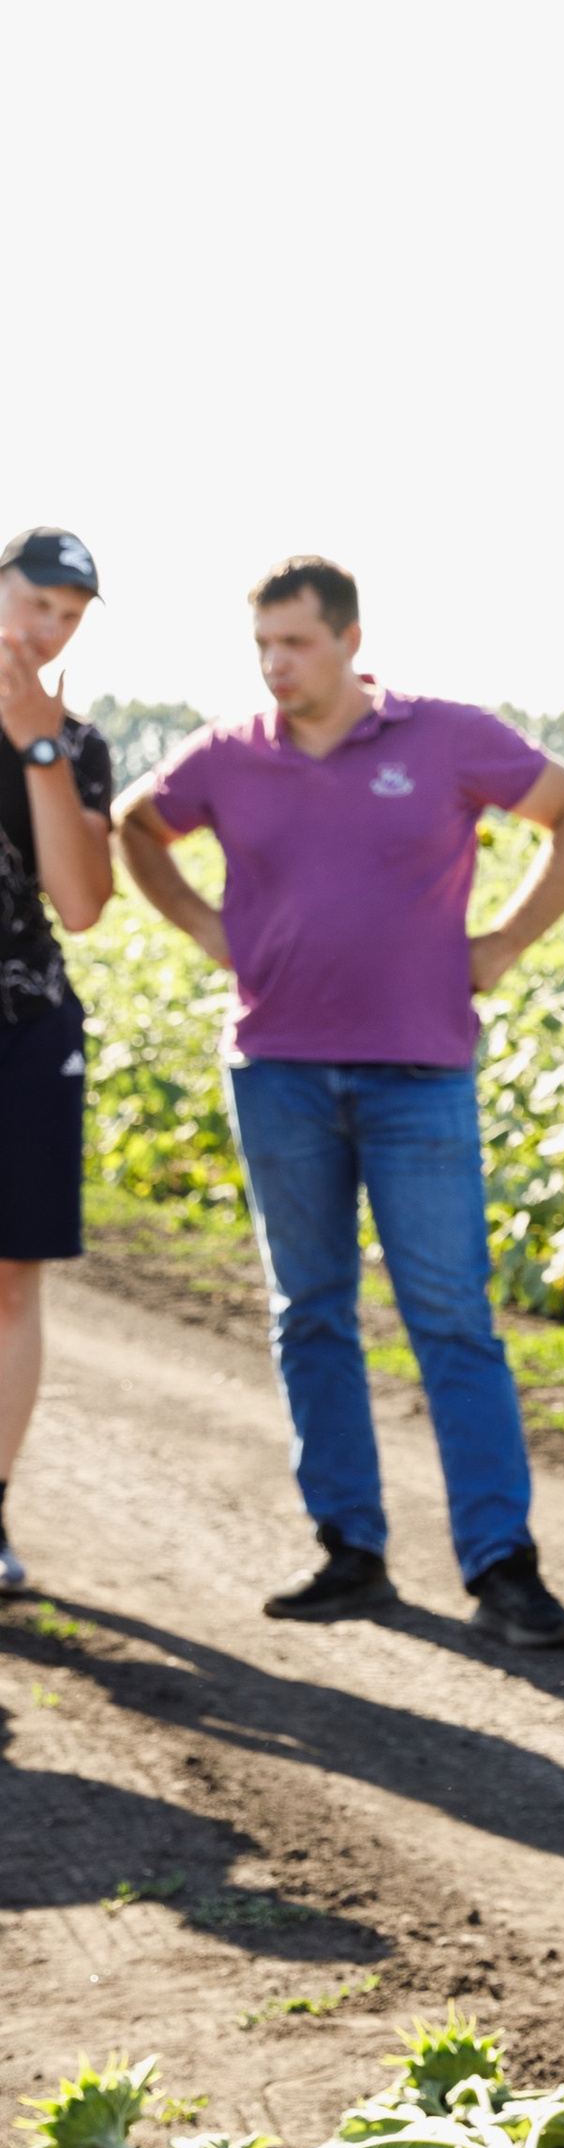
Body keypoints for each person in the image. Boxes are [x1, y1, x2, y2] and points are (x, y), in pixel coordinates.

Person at [114, 555, 564, 1647]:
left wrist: (508, 943)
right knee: (311, 1314)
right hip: (277, 1069)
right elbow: (136, 826)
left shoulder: (443, 738)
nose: (276, 668)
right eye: (262, 648)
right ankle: (349, 1550)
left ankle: (503, 1568)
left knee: (451, 1318)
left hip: (417, 1073)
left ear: (347, 639)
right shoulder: (231, 755)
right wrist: (206, 930)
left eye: (294, 644)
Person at [0, 526, 117, 1598]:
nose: (48, 630)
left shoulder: (74, 746)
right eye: (36, 604)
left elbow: (80, 903)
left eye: (67, 618)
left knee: (9, 1281)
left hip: (26, 1028)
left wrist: (37, 745)